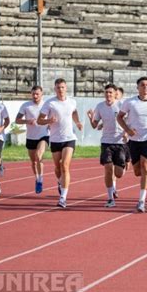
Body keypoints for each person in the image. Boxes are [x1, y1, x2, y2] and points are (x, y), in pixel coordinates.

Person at [117, 76, 147, 213]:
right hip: (134, 141)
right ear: (137, 88)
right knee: (138, 171)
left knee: (145, 167)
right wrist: (128, 130)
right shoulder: (130, 102)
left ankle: (141, 201)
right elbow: (119, 117)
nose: (145, 87)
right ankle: (146, 177)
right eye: (142, 85)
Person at [37, 78, 83, 208]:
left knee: (65, 166)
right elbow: (39, 120)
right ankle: (59, 181)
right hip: (55, 139)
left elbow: (74, 112)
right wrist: (48, 120)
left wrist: (78, 122)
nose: (60, 90)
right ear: (55, 89)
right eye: (58, 87)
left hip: (69, 138)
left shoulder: (72, 102)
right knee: (57, 168)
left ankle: (63, 198)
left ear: (66, 88)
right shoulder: (50, 103)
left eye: (62, 87)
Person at [87, 83, 126, 208]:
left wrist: (126, 133)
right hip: (106, 142)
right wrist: (90, 118)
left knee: (119, 173)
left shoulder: (121, 106)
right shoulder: (100, 106)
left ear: (115, 94)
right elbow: (95, 125)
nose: (108, 95)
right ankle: (110, 198)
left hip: (120, 142)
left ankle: (116, 178)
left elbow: (130, 122)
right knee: (108, 168)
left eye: (110, 92)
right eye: (106, 92)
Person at [15, 85, 49, 194]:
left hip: (44, 135)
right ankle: (37, 177)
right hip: (31, 137)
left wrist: (49, 123)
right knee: (33, 162)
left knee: (39, 156)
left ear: (41, 94)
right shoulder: (26, 106)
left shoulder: (47, 105)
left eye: (37, 94)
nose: (35, 96)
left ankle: (41, 179)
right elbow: (17, 120)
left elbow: (53, 118)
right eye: (33, 94)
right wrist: (27, 121)